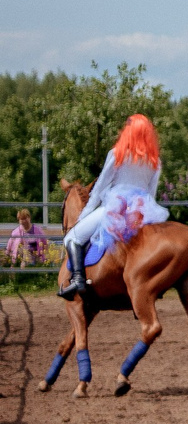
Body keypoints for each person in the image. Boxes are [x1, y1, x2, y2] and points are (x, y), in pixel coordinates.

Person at [58, 114, 168, 299]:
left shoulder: (117, 154)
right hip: (140, 212)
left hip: (116, 208)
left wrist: (84, 214)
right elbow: (151, 194)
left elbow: (100, 187)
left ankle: (78, 280)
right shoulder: (155, 161)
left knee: (72, 237)